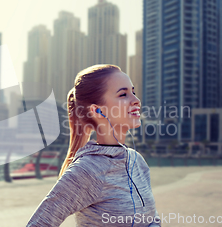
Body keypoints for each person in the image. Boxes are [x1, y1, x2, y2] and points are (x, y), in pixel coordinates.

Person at [27, 64, 161, 226]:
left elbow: (151, 218)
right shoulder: (88, 169)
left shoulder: (136, 161)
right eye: (123, 94)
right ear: (97, 110)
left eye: (133, 92)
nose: (136, 101)